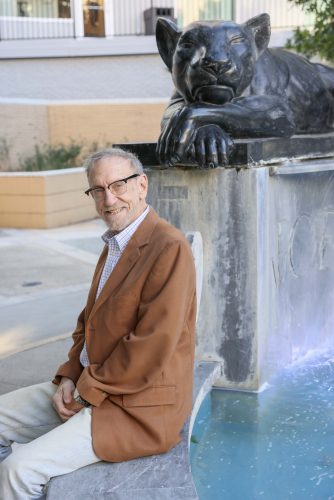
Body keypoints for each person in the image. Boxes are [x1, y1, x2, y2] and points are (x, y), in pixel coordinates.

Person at [0, 148, 197, 499]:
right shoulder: (115, 244)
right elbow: (86, 325)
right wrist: (68, 375)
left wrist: (84, 390)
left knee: (18, 470)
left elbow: (150, 346)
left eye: (119, 185)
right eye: (98, 190)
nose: (109, 199)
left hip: (136, 407)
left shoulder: (169, 247)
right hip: (94, 388)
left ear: (142, 186)